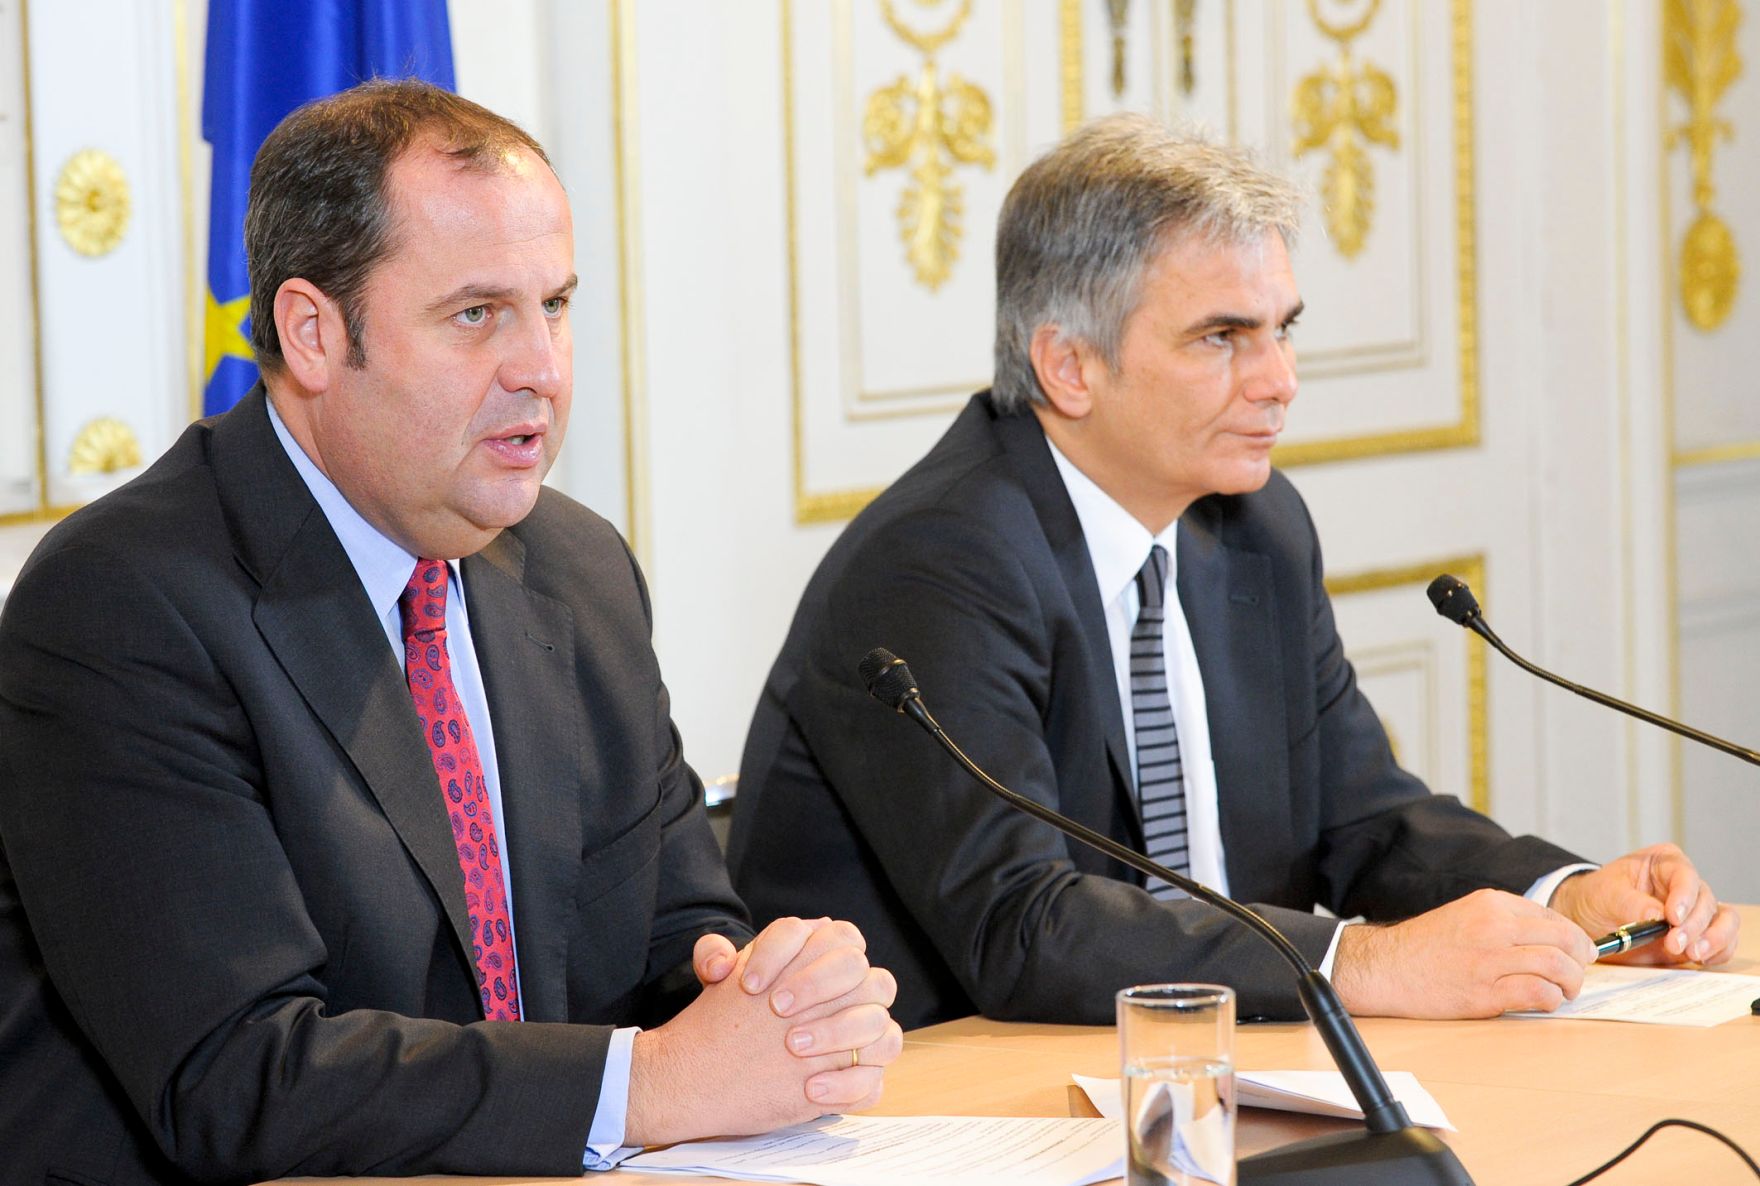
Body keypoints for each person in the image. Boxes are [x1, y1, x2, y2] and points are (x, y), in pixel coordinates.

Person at [0, 80, 901, 1184]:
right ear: (313, 332)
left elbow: (678, 948)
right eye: (477, 314)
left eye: (556, 304)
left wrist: (779, 1000)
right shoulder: (125, 604)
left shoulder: (578, 570)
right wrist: (656, 1079)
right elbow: (237, 1076)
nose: (543, 369)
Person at [727, 114, 1739, 1032]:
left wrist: (1558, 896)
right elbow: (1023, 927)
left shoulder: (1252, 525)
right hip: (931, 1105)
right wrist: (1357, 961)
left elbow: (1360, 823)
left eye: (1282, 328)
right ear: (1066, 365)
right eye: (1222, 338)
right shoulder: (938, 562)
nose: (1279, 380)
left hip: (1212, 1064)